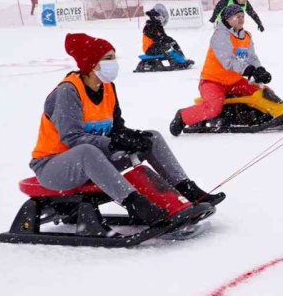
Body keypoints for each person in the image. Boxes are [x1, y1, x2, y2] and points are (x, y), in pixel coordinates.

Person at [30, 34, 224, 227]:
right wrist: (114, 143)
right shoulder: (68, 91)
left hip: (96, 160)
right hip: (53, 167)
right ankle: (136, 204)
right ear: (91, 63)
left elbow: (116, 129)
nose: (113, 63)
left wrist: (133, 137)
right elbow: (72, 138)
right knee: (86, 151)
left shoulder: (108, 87)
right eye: (108, 58)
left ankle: (187, 189)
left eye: (114, 57)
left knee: (152, 137)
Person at [170, 5, 271, 135]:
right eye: (237, 17)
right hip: (212, 81)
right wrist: (249, 70)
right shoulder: (220, 36)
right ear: (228, 19)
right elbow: (228, 61)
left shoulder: (246, 36)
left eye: (242, 16)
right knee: (213, 108)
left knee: (262, 91)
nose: (241, 19)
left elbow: (252, 57)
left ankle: (274, 113)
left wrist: (260, 69)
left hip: (234, 81)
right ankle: (183, 116)